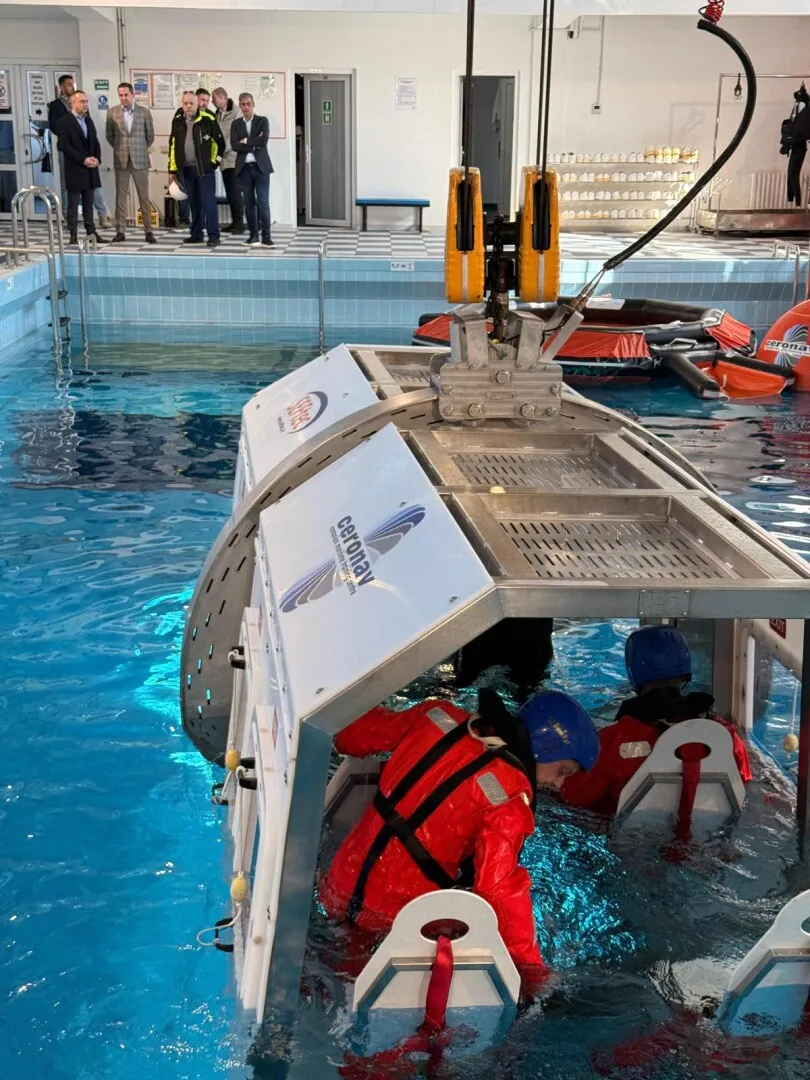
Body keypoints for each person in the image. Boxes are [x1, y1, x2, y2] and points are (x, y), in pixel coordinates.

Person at [320, 687, 600, 996]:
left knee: (333, 967)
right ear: (545, 747)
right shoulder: (509, 797)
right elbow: (498, 888)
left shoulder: (436, 715)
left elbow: (353, 736)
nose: (559, 783)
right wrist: (533, 973)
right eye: (562, 770)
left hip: (339, 882)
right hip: (392, 918)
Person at [560, 625, 752, 817]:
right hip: (712, 830)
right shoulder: (726, 736)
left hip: (628, 834)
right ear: (686, 670)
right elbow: (742, 785)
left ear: (633, 672)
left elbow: (573, 796)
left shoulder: (613, 741)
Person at [48, 74, 113, 228]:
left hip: (87, 151)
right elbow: (56, 128)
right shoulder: (55, 106)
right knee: (68, 185)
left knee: (93, 184)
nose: (72, 87)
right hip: (69, 150)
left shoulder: (85, 113)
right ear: (62, 87)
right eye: (69, 84)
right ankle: (68, 217)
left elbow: (91, 134)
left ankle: (102, 215)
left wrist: (96, 158)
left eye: (73, 84)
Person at [168, 90, 225, 249]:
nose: (188, 106)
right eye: (185, 103)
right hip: (186, 170)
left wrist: (213, 163)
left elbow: (219, 143)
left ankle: (214, 236)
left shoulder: (208, 118)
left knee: (208, 203)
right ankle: (196, 234)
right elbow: (173, 145)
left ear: (197, 104)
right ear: (182, 105)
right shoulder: (177, 121)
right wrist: (172, 170)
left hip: (205, 170)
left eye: (191, 103)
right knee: (194, 204)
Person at [105, 82, 156, 243]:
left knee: (144, 196)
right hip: (121, 159)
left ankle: (148, 231)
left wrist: (138, 148)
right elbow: (110, 136)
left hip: (140, 159)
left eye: (126, 94)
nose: (123, 98)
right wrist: (122, 149)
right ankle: (120, 231)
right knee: (120, 197)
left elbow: (150, 136)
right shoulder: (112, 112)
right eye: (120, 95)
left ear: (133, 94)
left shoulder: (144, 112)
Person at [57, 90, 108, 245]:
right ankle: (73, 235)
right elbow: (63, 146)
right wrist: (83, 159)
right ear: (73, 103)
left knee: (88, 204)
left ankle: (91, 233)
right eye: (82, 101)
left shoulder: (88, 121)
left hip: (90, 169)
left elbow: (95, 142)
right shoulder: (65, 121)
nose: (85, 104)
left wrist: (97, 159)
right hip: (75, 168)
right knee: (73, 205)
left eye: (86, 101)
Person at [231, 93, 274, 247]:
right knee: (249, 204)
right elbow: (235, 145)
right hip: (244, 169)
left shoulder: (262, 121)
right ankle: (253, 236)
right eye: (243, 104)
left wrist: (246, 141)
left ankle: (266, 237)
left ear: (253, 104)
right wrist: (254, 144)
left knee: (263, 203)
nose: (246, 107)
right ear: (240, 106)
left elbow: (263, 141)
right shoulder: (236, 124)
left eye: (248, 104)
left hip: (261, 168)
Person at [211, 87, 245, 234]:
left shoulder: (236, 112)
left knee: (235, 193)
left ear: (222, 98)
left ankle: (240, 224)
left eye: (214, 99)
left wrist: (222, 149)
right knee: (230, 193)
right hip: (224, 161)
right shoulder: (217, 113)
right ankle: (234, 222)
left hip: (234, 159)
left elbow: (235, 136)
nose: (212, 102)